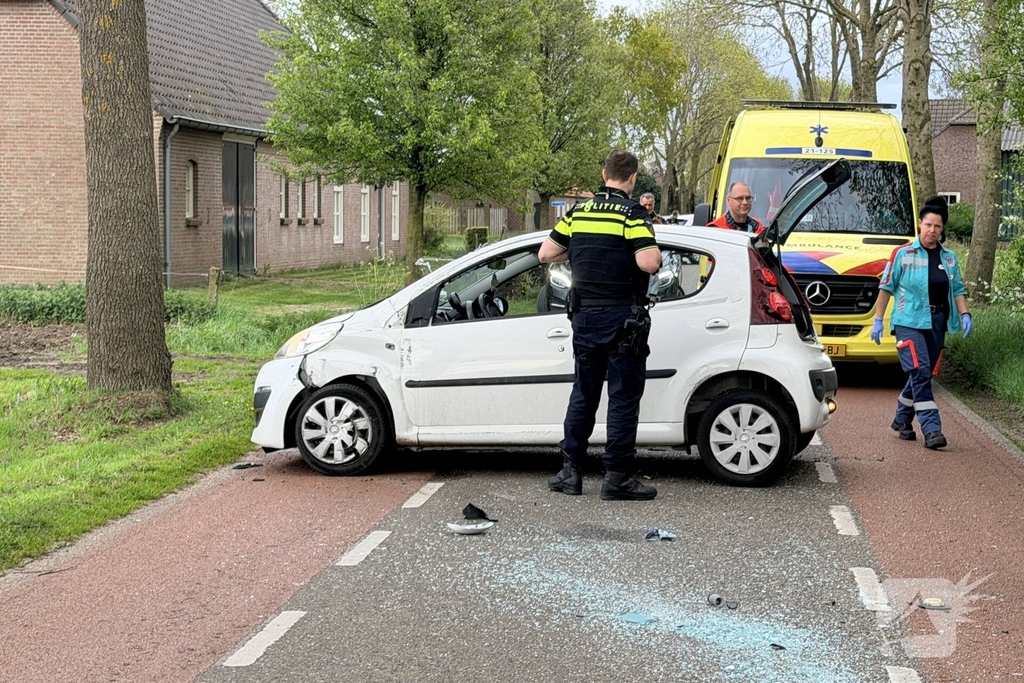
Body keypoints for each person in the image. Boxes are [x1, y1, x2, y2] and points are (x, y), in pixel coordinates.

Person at [538, 150, 663, 500]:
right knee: (622, 397)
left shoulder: (578, 213)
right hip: (623, 319)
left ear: (603, 173)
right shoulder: (632, 214)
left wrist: (577, 252)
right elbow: (649, 262)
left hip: (585, 318)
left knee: (584, 392)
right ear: (633, 178)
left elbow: (546, 253)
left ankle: (570, 472)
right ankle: (617, 477)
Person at [871, 196, 972, 449]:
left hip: (937, 322)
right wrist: (878, 320)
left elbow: (958, 289)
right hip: (908, 321)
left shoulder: (949, 258)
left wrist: (965, 314)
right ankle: (932, 429)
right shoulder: (903, 254)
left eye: (937, 227)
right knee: (920, 370)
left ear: (943, 229)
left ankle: (902, 418)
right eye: (928, 225)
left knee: (923, 373)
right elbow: (886, 287)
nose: (932, 231)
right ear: (920, 224)